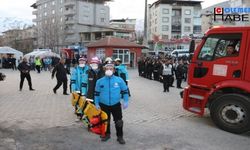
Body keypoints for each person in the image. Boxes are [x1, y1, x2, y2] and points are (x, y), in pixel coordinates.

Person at [94, 63, 129, 144]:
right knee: (105, 121)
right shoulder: (99, 81)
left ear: (114, 70)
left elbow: (125, 91)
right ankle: (107, 134)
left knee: (119, 121)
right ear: (104, 70)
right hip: (104, 104)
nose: (109, 70)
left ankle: (120, 136)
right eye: (107, 69)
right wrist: (96, 103)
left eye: (111, 69)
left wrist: (126, 101)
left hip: (116, 104)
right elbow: (96, 93)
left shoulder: (119, 80)